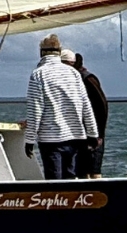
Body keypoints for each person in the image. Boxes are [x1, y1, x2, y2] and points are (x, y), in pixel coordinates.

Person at [24, 34, 96, 180]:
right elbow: (85, 104)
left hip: (51, 139)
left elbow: (35, 110)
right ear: (59, 51)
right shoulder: (74, 73)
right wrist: (93, 133)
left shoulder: (38, 74)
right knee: (71, 180)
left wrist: (29, 140)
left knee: (54, 183)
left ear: (41, 53)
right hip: (76, 137)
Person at [72, 52, 109, 177]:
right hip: (79, 133)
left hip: (92, 133)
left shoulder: (87, 79)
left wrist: (99, 134)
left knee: (93, 170)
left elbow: (101, 106)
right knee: (80, 170)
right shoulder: (72, 80)